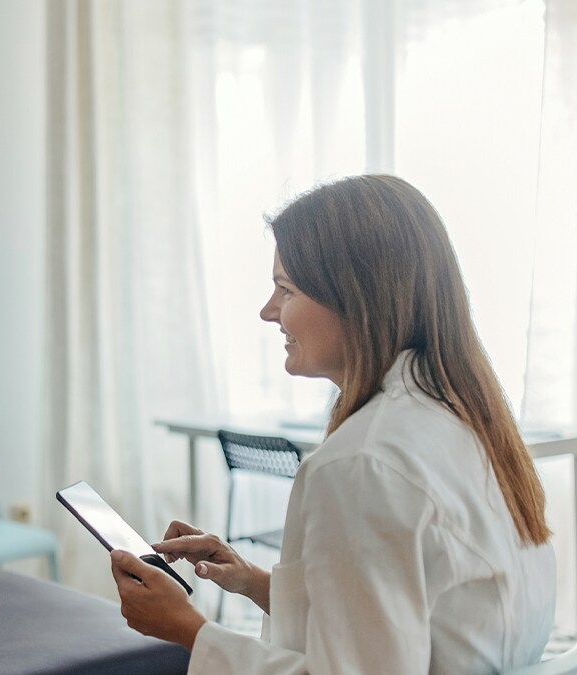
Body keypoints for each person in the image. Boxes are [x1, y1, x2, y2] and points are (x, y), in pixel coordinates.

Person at [109, 175, 556, 673]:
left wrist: (187, 629)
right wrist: (251, 580)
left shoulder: (362, 464)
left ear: (356, 300)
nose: (267, 311)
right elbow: (398, 615)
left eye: (286, 289)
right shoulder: (463, 416)